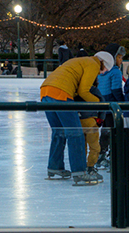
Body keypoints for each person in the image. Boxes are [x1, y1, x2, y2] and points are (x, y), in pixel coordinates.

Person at [39, 51, 114, 186]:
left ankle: (55, 167)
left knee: (59, 132)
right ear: (103, 63)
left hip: (46, 91)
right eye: (105, 70)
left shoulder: (82, 61)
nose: (102, 73)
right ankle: (80, 172)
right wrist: (100, 104)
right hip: (61, 93)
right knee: (76, 133)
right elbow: (83, 91)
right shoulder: (93, 64)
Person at [96, 43, 126, 170]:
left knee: (105, 130)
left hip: (100, 104)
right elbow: (116, 90)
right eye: (119, 57)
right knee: (112, 130)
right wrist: (123, 104)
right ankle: (106, 156)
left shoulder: (100, 71)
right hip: (112, 105)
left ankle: (101, 155)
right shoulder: (115, 72)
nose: (121, 60)